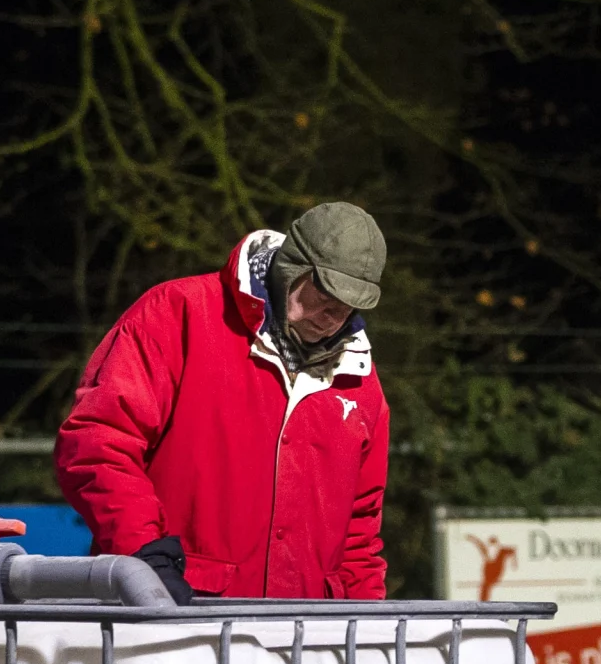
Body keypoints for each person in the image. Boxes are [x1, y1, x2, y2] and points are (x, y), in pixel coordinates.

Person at [53, 203, 389, 601]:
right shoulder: (178, 314)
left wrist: (370, 631)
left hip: (305, 634)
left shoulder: (360, 381)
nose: (335, 314)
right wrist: (143, 553)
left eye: (352, 303)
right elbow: (99, 442)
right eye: (326, 292)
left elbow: (359, 531)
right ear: (292, 266)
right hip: (175, 611)